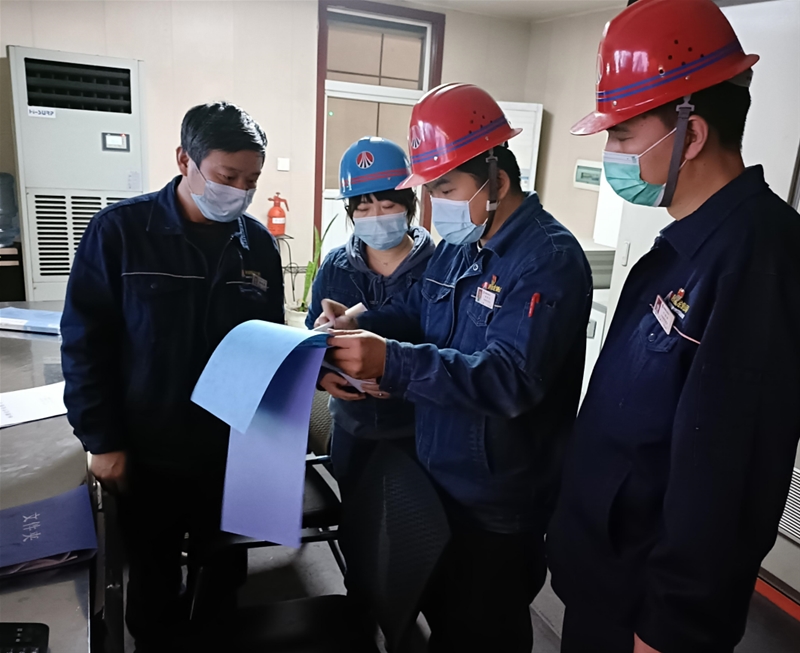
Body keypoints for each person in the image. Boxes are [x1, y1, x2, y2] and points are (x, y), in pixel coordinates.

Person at [546, 1, 800, 652]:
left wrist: (671, 628)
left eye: (622, 135)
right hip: (606, 576)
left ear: (690, 135)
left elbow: (728, 477)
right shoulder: (683, 246)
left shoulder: (758, 260)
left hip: (647, 612)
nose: (611, 154)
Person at [320, 83, 593, 653]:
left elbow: (509, 378)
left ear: (497, 180)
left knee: (484, 630)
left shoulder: (546, 259)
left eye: (446, 188)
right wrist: (359, 321)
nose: (435, 204)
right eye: (430, 189)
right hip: (437, 473)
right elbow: (420, 314)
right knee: (444, 619)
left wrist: (390, 361)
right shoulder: (459, 246)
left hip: (497, 498)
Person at [61, 102, 284, 652]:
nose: (239, 192)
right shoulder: (121, 232)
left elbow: (270, 341)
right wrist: (102, 440)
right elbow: (85, 343)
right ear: (185, 160)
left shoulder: (257, 245)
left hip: (229, 452)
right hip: (149, 450)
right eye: (227, 177)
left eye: (251, 181)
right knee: (154, 582)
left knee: (224, 580)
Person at [306, 136, 434, 496]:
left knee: (416, 520)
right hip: (352, 425)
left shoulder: (440, 268)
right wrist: (322, 376)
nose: (375, 217)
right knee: (356, 514)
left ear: (409, 204)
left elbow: (451, 343)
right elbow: (310, 338)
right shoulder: (335, 267)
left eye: (387, 205)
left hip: (420, 428)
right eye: (362, 208)